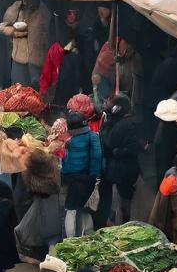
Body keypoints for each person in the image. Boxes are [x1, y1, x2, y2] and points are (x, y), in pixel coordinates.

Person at [96, 93, 142, 228]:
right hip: (129, 167)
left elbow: (108, 141)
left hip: (119, 169)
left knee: (113, 197)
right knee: (125, 197)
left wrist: (108, 122)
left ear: (117, 108)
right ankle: (125, 223)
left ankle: (120, 224)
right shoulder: (133, 121)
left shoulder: (121, 125)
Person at [61, 112, 102, 237]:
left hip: (71, 179)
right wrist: (96, 177)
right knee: (85, 209)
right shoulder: (92, 136)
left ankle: (71, 240)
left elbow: (65, 160)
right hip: (87, 178)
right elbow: (97, 157)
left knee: (71, 210)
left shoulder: (69, 141)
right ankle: (83, 236)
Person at [0, 0, 49, 88]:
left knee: (36, 91)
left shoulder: (43, 11)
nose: (27, 2)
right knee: (19, 88)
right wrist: (11, 31)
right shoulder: (17, 7)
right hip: (19, 57)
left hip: (38, 58)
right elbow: (1, 26)